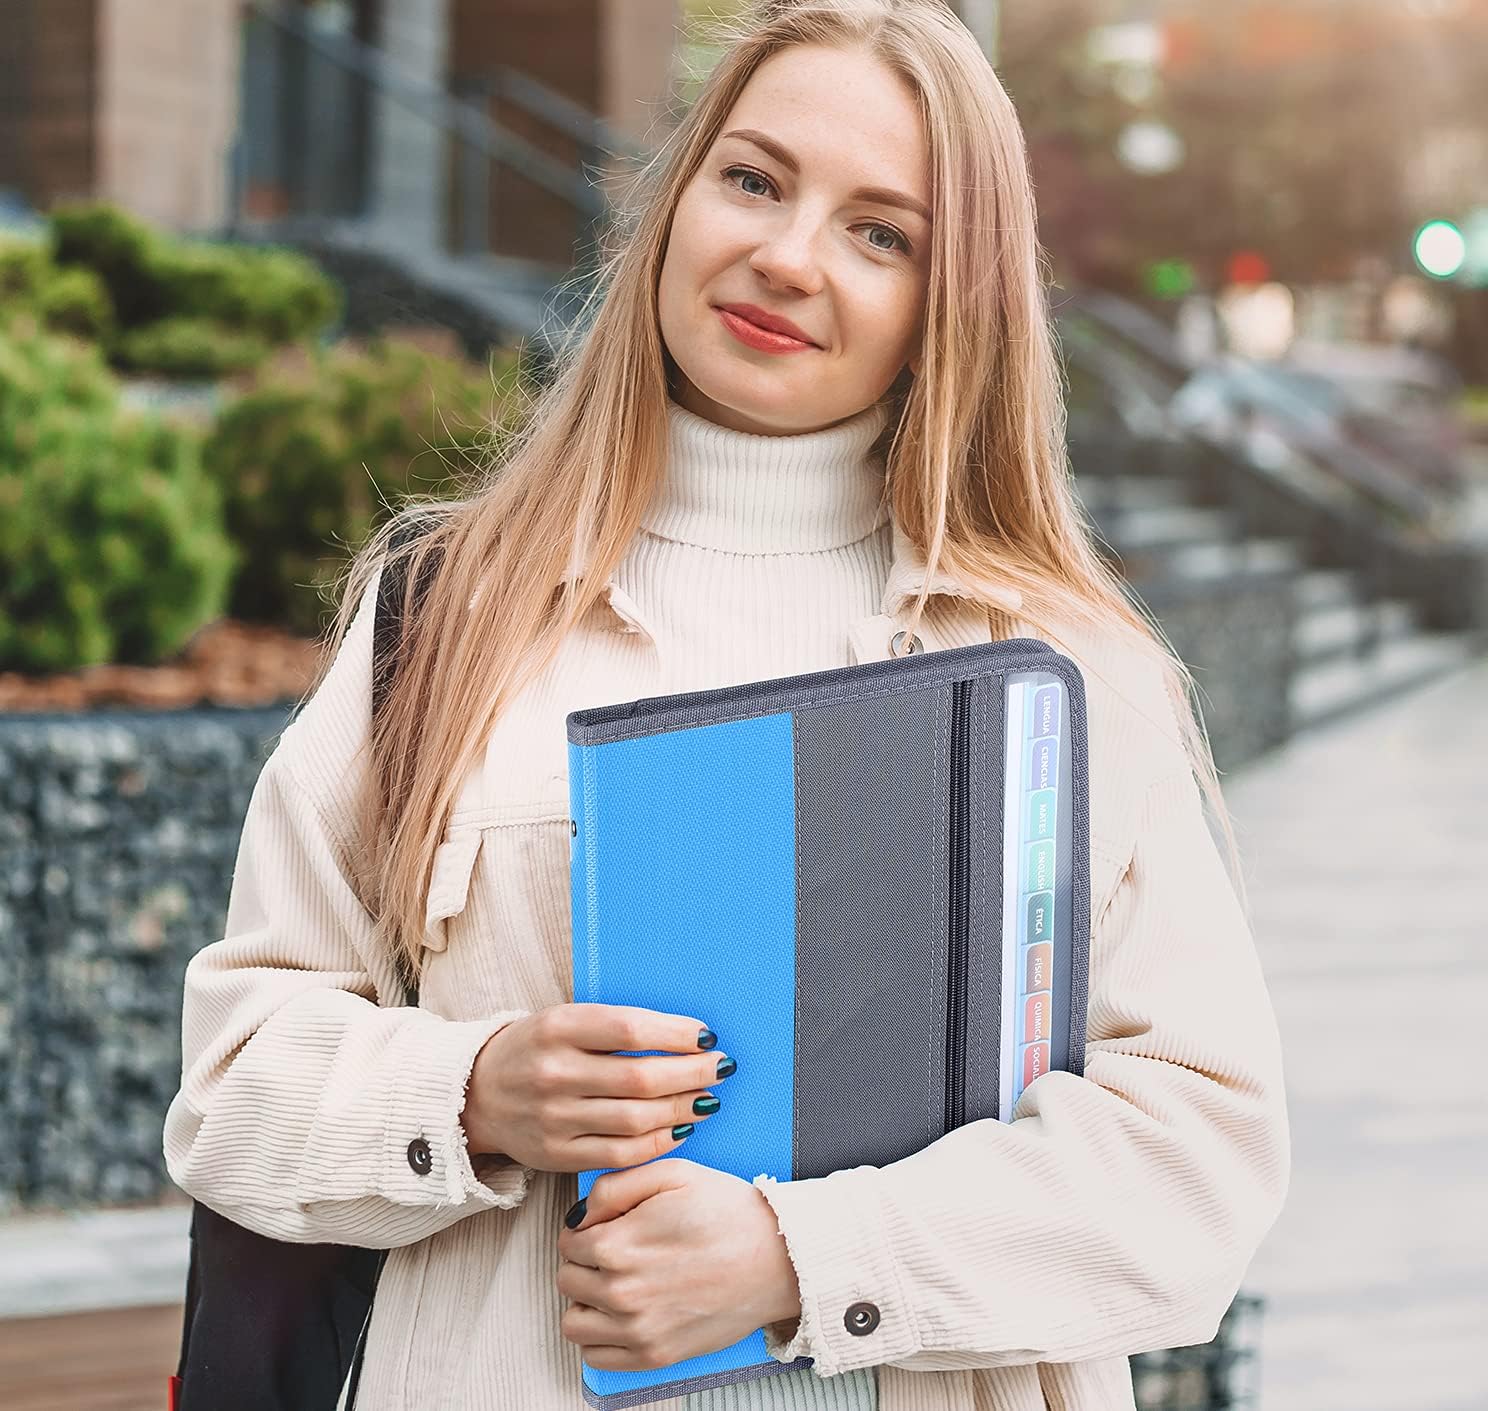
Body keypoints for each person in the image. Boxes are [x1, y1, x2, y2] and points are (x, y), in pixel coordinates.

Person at [162, 2, 1291, 1408]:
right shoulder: (441, 611)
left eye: (881, 233)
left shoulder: (1058, 667)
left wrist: (796, 1256)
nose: (784, 256)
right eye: (752, 180)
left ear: (956, 302)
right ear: (675, 199)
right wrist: (474, 1093)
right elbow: (233, 1089)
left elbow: (1198, 1156)